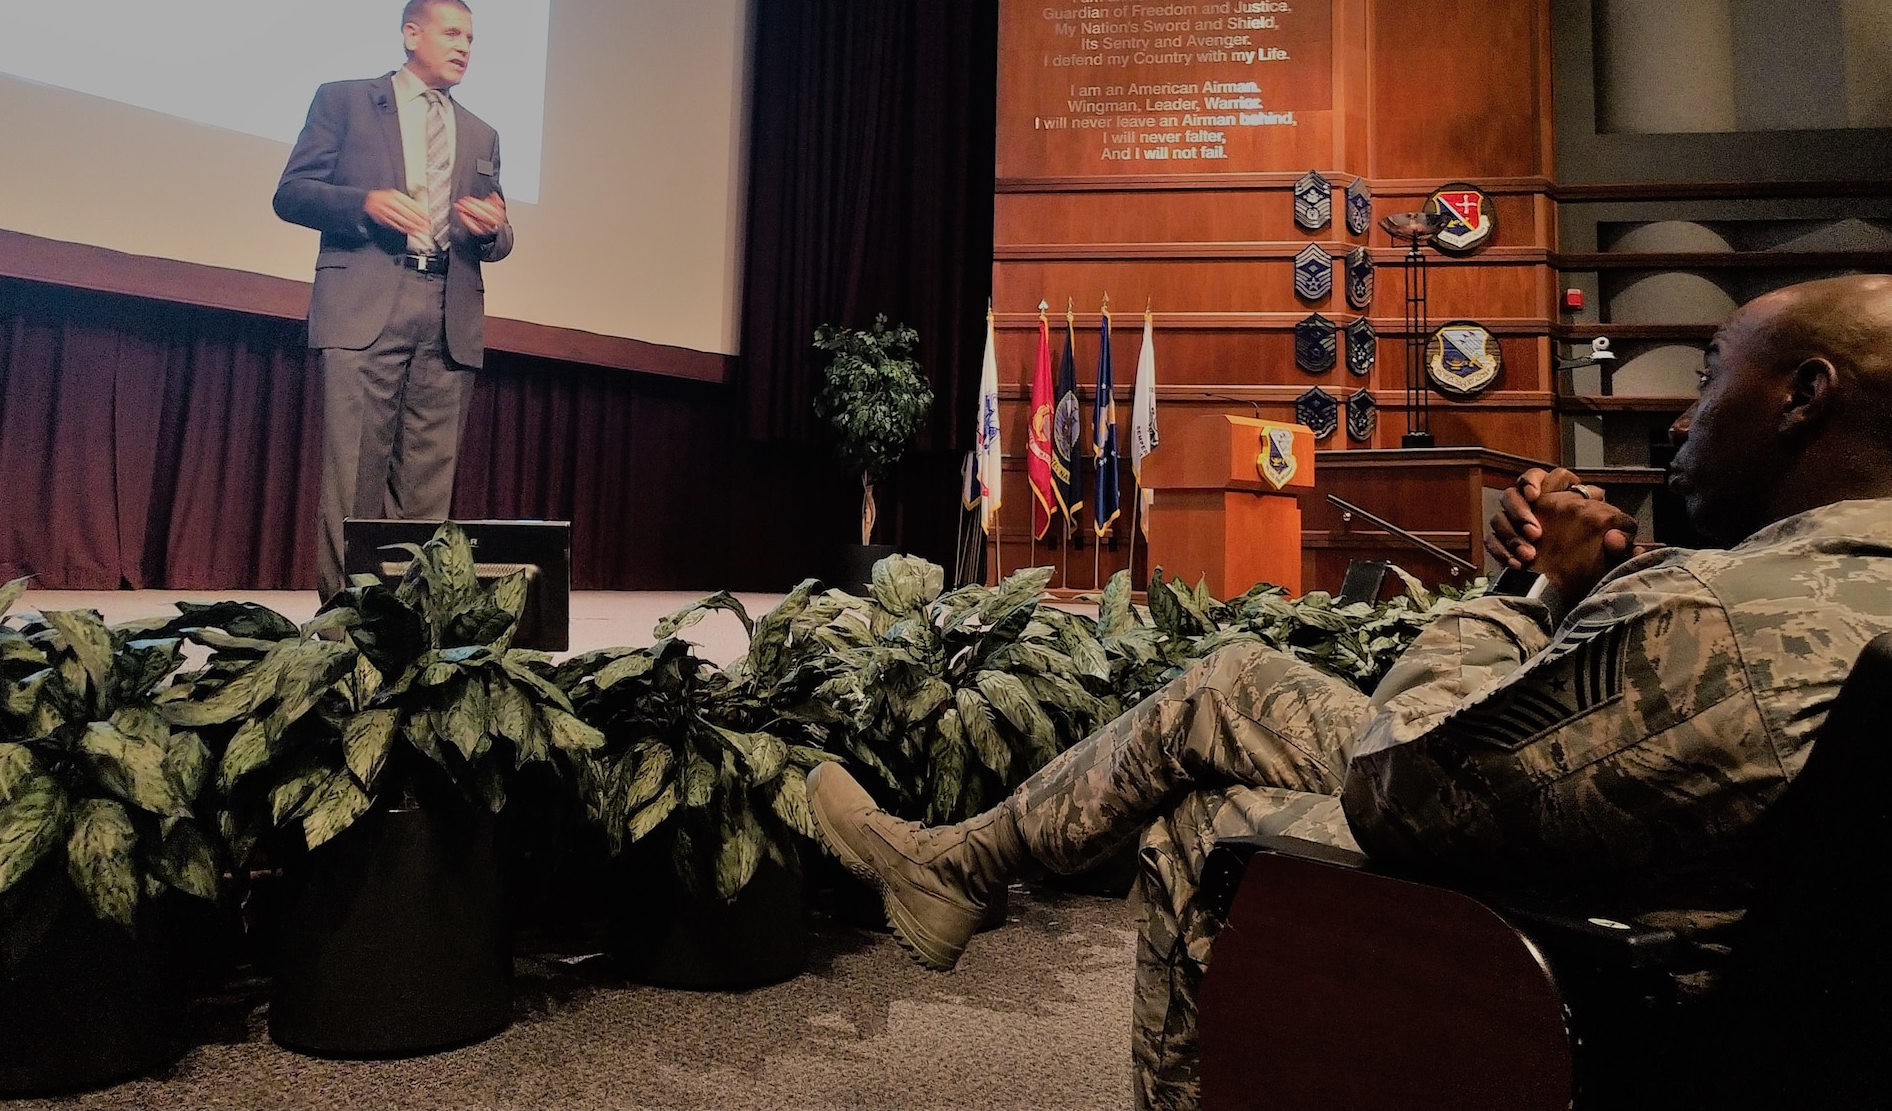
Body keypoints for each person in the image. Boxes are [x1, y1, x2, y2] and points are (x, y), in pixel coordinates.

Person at [809, 273, 1892, 1111]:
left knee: (1214, 826)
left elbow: (1399, 789)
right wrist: (1599, 593)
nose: (1679, 417)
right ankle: (956, 865)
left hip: (1602, 974)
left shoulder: (1723, 615)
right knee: (1230, 683)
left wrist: (1525, 589)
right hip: (1743, 956)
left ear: (1802, 396)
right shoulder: (1830, 587)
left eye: (1709, 375)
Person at [274, 0, 513, 600]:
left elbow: (501, 232)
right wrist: (363, 203)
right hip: (367, 299)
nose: (464, 47)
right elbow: (293, 192)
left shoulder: (481, 131)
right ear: (411, 34)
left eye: (471, 40)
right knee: (354, 471)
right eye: (452, 34)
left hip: (447, 308)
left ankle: (411, 618)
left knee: (428, 480)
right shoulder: (345, 100)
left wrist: (494, 229)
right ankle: (347, 619)